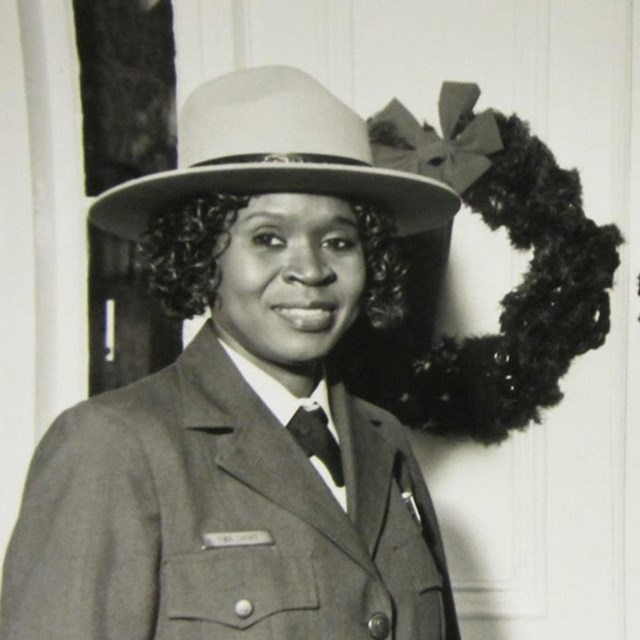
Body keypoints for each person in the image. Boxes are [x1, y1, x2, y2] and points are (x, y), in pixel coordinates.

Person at [1, 66, 462, 640]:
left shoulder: (383, 439)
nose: (313, 270)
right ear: (201, 256)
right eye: (268, 238)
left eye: (339, 241)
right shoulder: (112, 447)